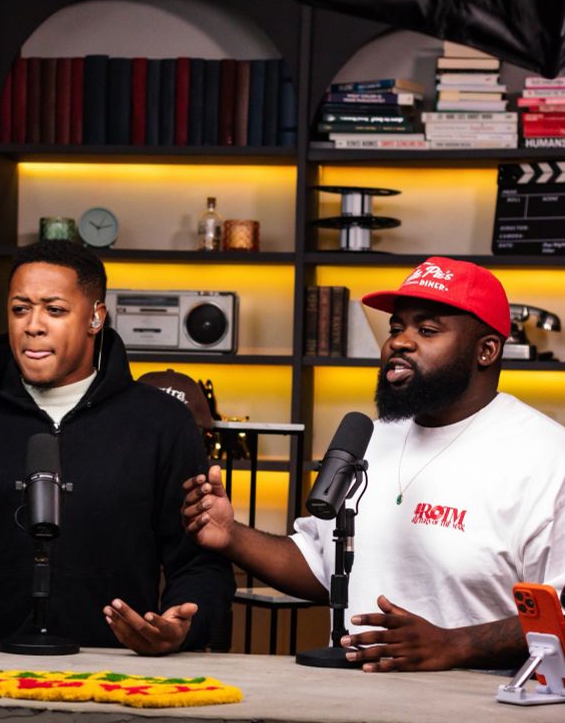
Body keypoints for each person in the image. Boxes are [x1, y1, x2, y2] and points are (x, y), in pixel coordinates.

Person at [182, 256, 565, 671]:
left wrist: (455, 646)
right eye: (396, 328)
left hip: (482, 719)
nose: (399, 342)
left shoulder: (545, 456)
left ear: (486, 350)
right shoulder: (370, 438)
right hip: (354, 708)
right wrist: (231, 535)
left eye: (427, 329)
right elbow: (320, 566)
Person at [0, 239, 234, 655]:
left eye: (54, 310)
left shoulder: (161, 424)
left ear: (95, 317)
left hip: (124, 671)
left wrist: (180, 627)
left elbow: (199, 562)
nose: (33, 325)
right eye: (21, 308)